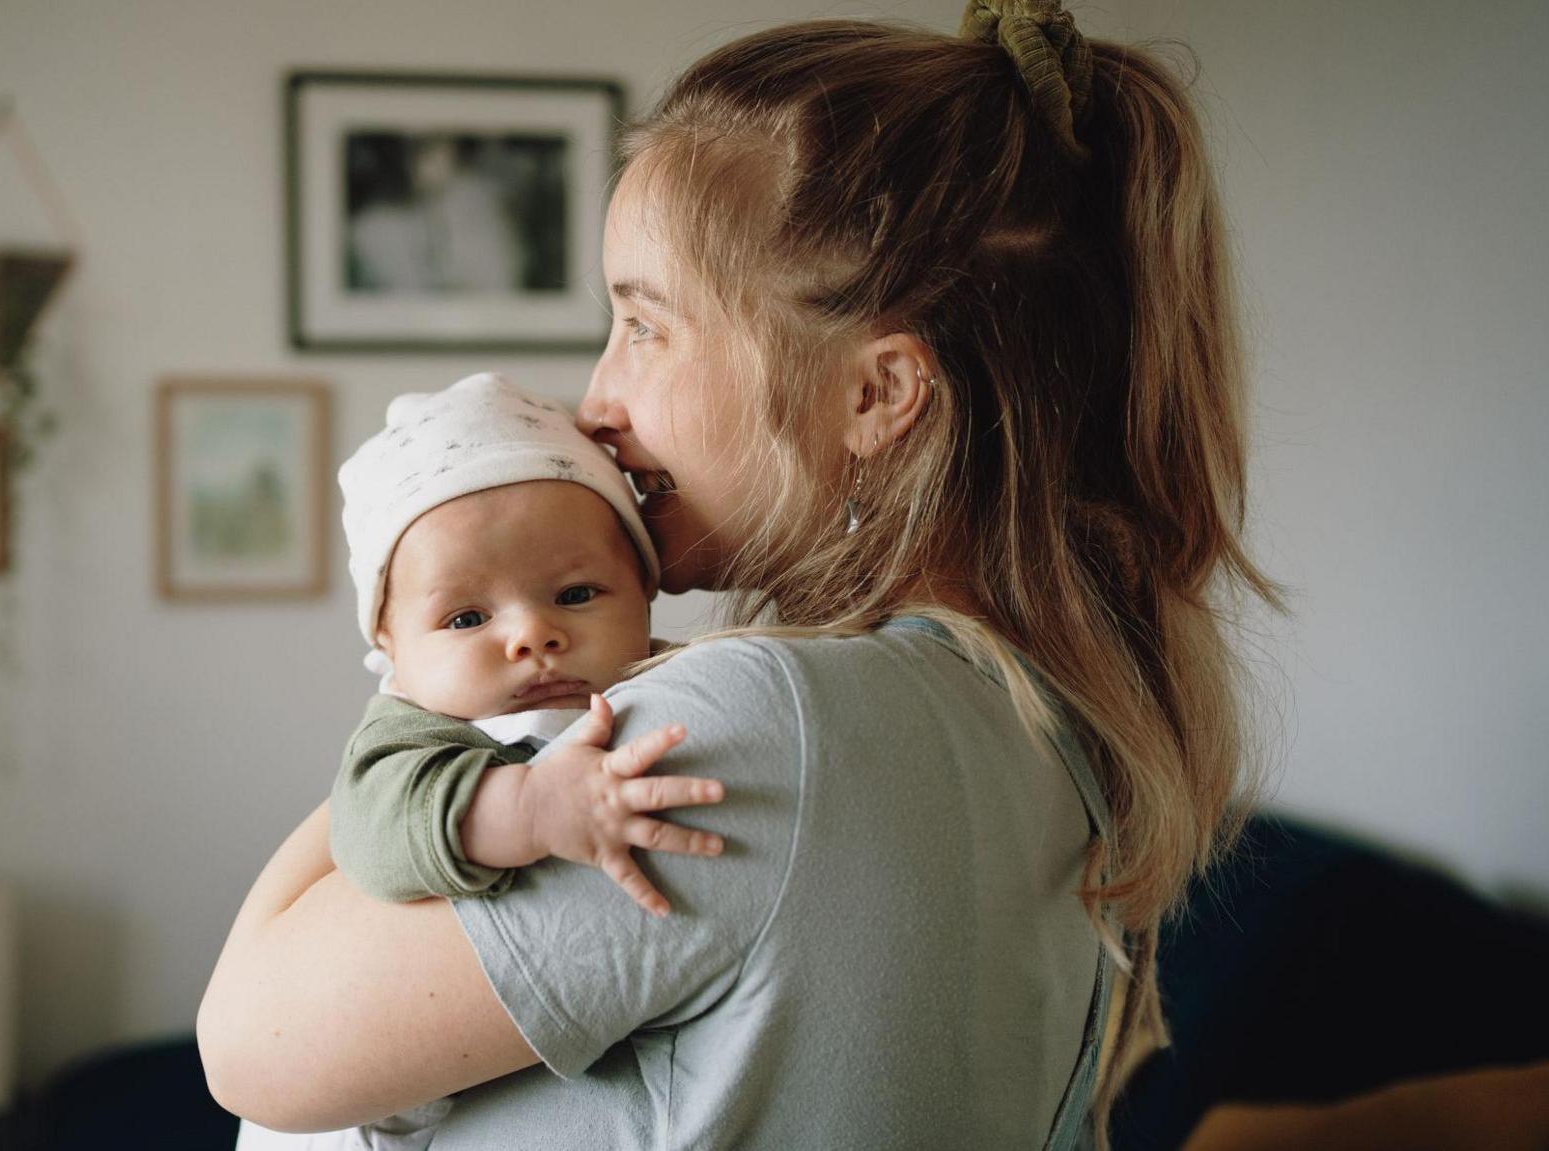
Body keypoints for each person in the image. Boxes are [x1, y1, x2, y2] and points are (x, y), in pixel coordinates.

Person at [199, 3, 1279, 1147]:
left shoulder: (760, 728)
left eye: (643, 326)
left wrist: (422, 695)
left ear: (874, 394)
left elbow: (245, 1045)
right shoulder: (1056, 731)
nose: (594, 402)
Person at [236, 372, 728, 1151]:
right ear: (391, 647)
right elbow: (372, 830)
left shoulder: (673, 689)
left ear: (644, 589)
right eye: (466, 616)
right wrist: (530, 808)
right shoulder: (412, 733)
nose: (532, 633)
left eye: (576, 592)